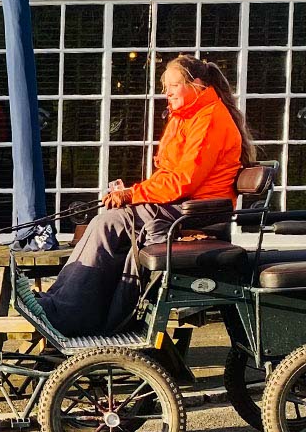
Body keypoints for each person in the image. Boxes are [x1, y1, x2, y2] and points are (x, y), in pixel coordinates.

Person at [35, 54, 254, 337]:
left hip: (194, 213)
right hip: (178, 208)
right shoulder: (187, 117)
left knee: (107, 224)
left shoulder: (209, 119)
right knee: (109, 221)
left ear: (196, 84)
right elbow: (167, 176)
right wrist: (133, 194)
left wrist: (132, 195)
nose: (167, 93)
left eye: (173, 85)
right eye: (165, 87)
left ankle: (66, 314)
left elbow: (183, 181)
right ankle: (62, 305)